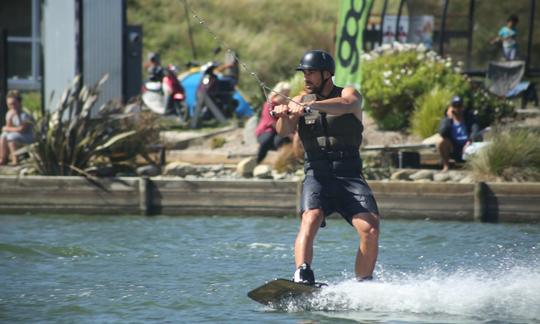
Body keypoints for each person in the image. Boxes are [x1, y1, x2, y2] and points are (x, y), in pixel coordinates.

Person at [273, 50, 380, 284]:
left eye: (310, 72)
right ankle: (302, 273)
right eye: (304, 73)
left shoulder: (348, 93)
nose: (306, 78)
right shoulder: (299, 100)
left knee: (370, 228)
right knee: (310, 218)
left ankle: (364, 284)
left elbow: (346, 105)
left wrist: (312, 107)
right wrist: (282, 114)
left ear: (326, 74)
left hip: (348, 173)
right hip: (317, 173)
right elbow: (283, 130)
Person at [437, 96, 481, 172]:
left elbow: (475, 131)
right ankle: (446, 166)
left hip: (467, 146)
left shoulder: (470, 118)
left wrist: (469, 141)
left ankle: (475, 166)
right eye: (455, 106)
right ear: (451, 107)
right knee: (441, 142)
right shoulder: (447, 119)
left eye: (459, 106)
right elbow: (442, 132)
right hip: (454, 147)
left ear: (463, 107)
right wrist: (448, 118)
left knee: (479, 139)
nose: (457, 109)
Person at [254, 81, 292, 164]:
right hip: (266, 130)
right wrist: (290, 134)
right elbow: (271, 122)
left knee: (280, 141)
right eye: (285, 94)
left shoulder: (286, 105)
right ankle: (258, 160)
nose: (287, 97)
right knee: (268, 138)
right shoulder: (269, 104)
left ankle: (283, 162)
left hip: (278, 132)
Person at [0, 90, 34, 165]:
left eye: (13, 104)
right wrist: (9, 119)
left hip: (28, 136)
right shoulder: (9, 113)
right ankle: (3, 158)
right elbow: (8, 128)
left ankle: (15, 159)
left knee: (11, 136)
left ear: (19, 102)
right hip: (17, 135)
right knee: (3, 136)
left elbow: (22, 129)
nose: (12, 106)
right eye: (9, 104)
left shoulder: (25, 114)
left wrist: (6, 128)